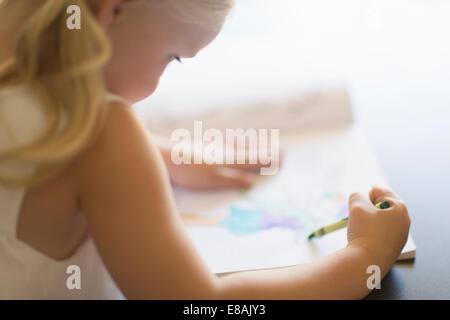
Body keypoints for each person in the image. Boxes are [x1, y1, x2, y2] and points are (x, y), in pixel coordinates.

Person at [0, 0, 410, 299]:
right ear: (114, 10)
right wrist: (366, 258)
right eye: (174, 56)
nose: (165, 72)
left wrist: (160, 155)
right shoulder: (105, 137)